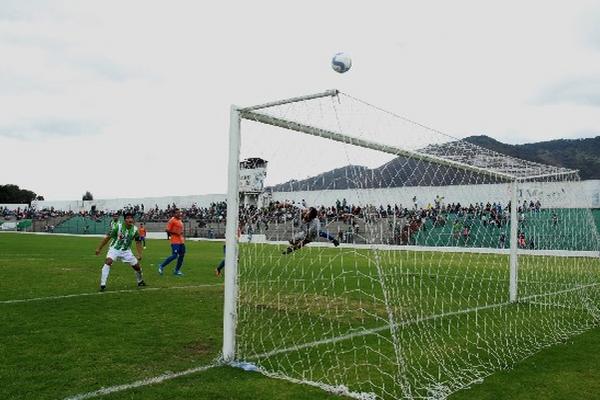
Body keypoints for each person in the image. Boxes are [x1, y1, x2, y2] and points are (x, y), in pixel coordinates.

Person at [94, 212, 145, 292]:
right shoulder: (118, 227)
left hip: (126, 251)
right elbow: (108, 238)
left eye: (131, 218)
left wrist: (139, 254)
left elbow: (138, 242)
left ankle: (140, 281)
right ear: (124, 220)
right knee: (108, 261)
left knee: (137, 267)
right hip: (115, 249)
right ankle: (103, 284)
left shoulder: (135, 229)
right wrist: (99, 248)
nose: (130, 219)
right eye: (128, 218)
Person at [158, 208, 186, 276]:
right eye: (177, 213)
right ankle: (161, 266)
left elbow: (180, 230)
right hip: (175, 241)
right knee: (175, 255)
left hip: (181, 241)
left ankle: (177, 270)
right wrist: (176, 233)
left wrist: (181, 232)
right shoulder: (172, 220)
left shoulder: (179, 220)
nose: (179, 214)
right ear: (174, 214)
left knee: (181, 256)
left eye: (179, 212)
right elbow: (167, 230)